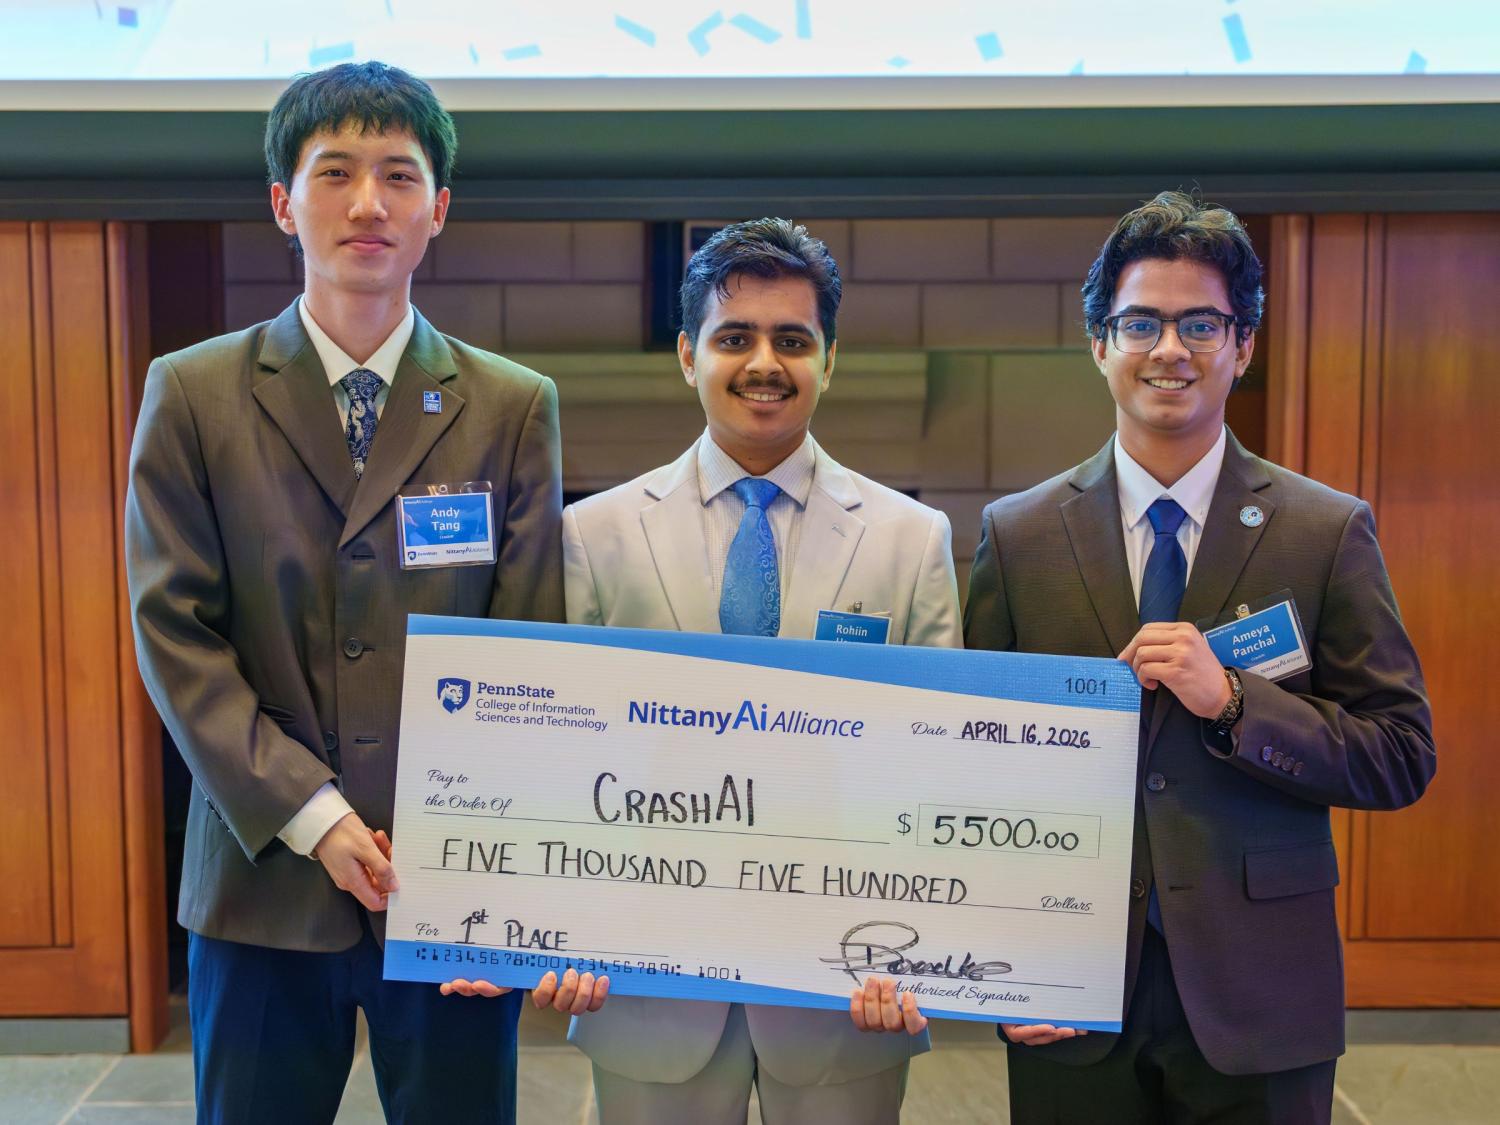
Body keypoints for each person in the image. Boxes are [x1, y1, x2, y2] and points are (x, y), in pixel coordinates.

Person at [125, 61, 571, 1124]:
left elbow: (530, 642)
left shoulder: (513, 405)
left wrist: (468, 839)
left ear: (438, 211)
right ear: (284, 203)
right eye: (335, 173)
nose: (368, 203)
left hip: (450, 882)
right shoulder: (192, 391)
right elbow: (173, 632)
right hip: (261, 879)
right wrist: (317, 816)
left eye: (398, 177)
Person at [963, 190, 1435, 1123]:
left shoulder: (1325, 530)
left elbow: (1401, 753)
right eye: (1140, 322)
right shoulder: (1016, 535)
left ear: (1243, 345)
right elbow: (980, 774)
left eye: (1201, 324)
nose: (1169, 349)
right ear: (1099, 343)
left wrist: (1233, 702)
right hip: (1069, 984)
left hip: (1258, 990)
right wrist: (997, 967)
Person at [563, 217, 959, 1122]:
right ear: (686, 354)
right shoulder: (595, 534)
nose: (764, 363)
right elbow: (564, 759)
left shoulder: (910, 540)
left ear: (830, 359)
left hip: (846, 990)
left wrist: (920, 951)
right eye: (734, 338)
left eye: (793, 340)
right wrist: (560, 931)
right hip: (646, 986)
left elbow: (937, 776)